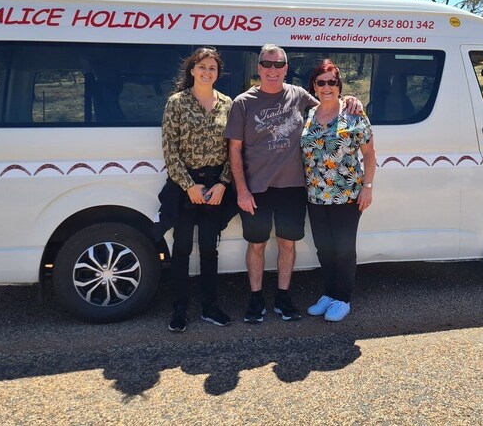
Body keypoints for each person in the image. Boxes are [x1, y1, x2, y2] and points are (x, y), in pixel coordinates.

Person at [225, 44, 362, 323]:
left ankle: (283, 297)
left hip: (294, 188)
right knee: (257, 244)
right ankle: (255, 298)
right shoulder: (243, 102)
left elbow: (328, 104)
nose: (272, 70)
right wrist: (241, 189)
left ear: (286, 68)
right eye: (267, 64)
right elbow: (234, 150)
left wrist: (351, 99)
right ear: (259, 67)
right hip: (256, 189)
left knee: (287, 243)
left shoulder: (299, 95)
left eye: (278, 65)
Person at [161, 47, 234, 332]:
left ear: (218, 73)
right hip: (185, 186)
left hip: (216, 185)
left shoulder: (227, 103)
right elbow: (170, 149)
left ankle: (210, 306)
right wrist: (189, 185)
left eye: (212, 68)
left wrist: (223, 183)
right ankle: (179, 308)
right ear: (192, 69)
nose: (207, 72)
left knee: (209, 247)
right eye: (202, 66)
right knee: (180, 248)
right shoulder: (177, 103)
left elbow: (233, 150)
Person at [301, 59, 376, 322]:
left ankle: (343, 299)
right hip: (316, 195)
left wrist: (367, 187)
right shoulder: (309, 114)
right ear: (314, 85)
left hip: (347, 195)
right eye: (321, 82)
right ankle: (330, 294)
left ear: (339, 85)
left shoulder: (354, 113)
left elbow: (369, 154)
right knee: (324, 248)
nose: (327, 87)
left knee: (344, 248)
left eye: (332, 82)